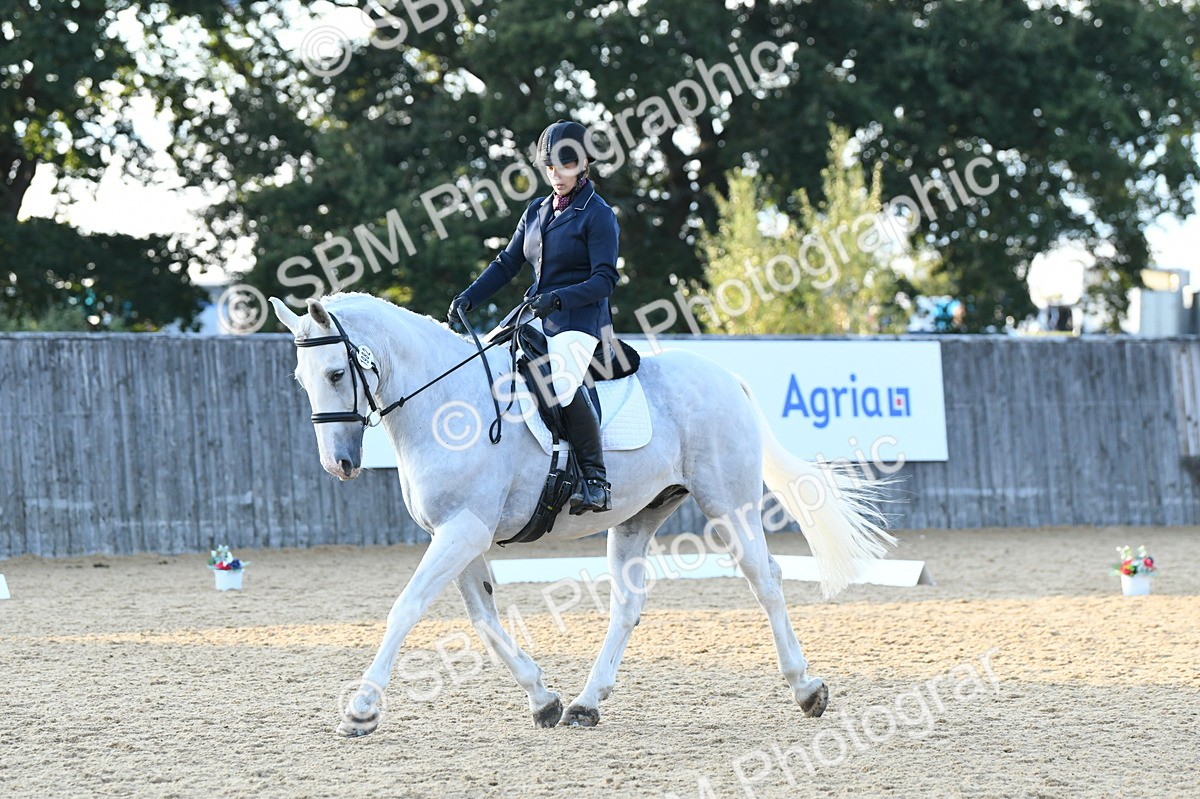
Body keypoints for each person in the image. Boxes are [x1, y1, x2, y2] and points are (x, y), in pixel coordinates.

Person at [448, 120, 619, 514]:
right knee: (487, 361)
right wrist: (469, 297)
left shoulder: (598, 214)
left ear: (584, 164)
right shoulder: (537, 211)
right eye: (550, 167)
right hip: (534, 315)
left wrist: (558, 300)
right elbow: (508, 262)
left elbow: (605, 280)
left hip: (580, 322)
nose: (556, 174)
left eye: (565, 165)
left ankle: (595, 478)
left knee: (559, 383)